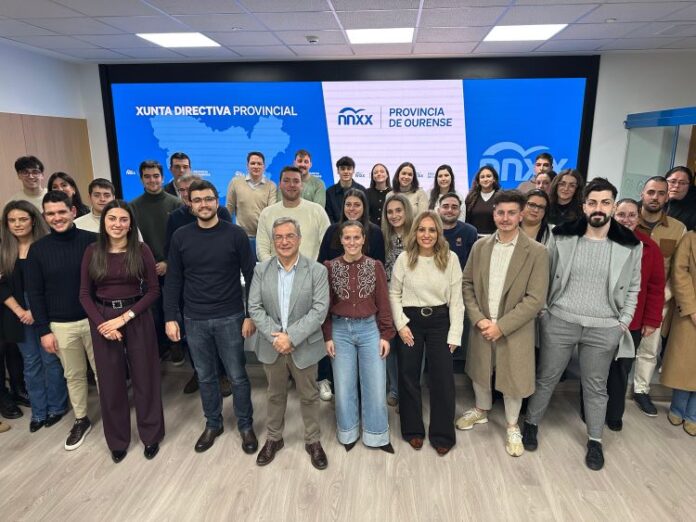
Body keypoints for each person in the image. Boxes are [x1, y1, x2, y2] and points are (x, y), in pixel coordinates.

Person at [523, 177, 642, 471]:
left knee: (595, 386)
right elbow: (544, 274)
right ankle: (531, 424)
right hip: (560, 320)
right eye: (593, 202)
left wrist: (622, 323)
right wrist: (544, 311)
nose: (598, 208)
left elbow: (633, 287)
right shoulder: (562, 235)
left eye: (605, 202)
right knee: (547, 377)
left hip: (605, 327)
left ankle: (595, 441)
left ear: (613, 206)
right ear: (584, 205)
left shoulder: (631, 244)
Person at [164, 180, 257, 455]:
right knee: (205, 377)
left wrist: (250, 314)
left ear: (217, 201)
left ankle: (245, 425)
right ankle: (213, 424)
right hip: (194, 319)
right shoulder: (180, 237)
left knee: (237, 376)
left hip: (230, 316)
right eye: (197, 200)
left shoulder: (236, 234)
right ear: (189, 204)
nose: (203, 204)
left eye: (208, 199)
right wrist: (170, 317)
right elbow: (173, 279)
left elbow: (252, 275)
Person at [458, 190, 549, 457]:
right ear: (494, 214)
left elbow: (535, 299)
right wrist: (479, 319)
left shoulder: (537, 252)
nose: (505, 218)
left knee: (513, 379)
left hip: (514, 328)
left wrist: (502, 326)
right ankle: (481, 409)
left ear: (521, 215)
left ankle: (511, 425)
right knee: (480, 371)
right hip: (483, 324)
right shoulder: (480, 246)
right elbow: (467, 284)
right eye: (500, 212)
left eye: (511, 213)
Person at [79, 200, 164, 463]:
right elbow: (84, 295)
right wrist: (102, 325)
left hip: (136, 315)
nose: (117, 224)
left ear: (130, 224)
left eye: (123, 219)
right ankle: (117, 441)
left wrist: (124, 318)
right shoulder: (93, 251)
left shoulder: (141, 250)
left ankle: (151, 435)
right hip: (103, 319)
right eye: (112, 218)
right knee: (110, 382)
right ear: (103, 222)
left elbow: (153, 291)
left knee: (146, 378)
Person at [248, 217, 330, 470]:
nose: (284, 241)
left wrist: (291, 337)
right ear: (273, 241)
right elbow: (254, 307)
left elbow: (319, 310)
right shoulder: (261, 270)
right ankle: (274, 438)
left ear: (299, 239)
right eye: (279, 237)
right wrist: (278, 337)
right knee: (274, 395)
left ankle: (313, 441)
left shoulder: (317, 271)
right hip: (272, 345)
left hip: (304, 345)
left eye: (289, 236)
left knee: (309, 396)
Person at [26, 191, 98, 451]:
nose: (57, 218)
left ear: (73, 212)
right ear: (44, 217)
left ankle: (114, 415)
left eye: (61, 212)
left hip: (95, 321)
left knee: (105, 373)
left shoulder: (93, 242)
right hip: (60, 326)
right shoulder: (38, 250)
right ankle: (81, 419)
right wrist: (43, 330)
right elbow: (35, 294)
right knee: (74, 376)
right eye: (51, 214)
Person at [389, 211, 464, 455]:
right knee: (408, 375)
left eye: (432, 230)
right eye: (422, 229)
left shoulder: (450, 258)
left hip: (440, 322)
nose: (426, 234)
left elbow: (457, 300)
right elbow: (394, 294)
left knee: (442, 378)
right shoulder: (404, 259)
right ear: (415, 232)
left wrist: (455, 333)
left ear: (439, 233)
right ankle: (412, 430)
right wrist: (401, 325)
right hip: (410, 321)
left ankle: (442, 434)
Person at [323, 220, 395, 453]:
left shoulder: (375, 266)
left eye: (356, 237)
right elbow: (325, 306)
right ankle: (348, 432)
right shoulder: (330, 267)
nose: (352, 242)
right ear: (341, 240)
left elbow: (383, 302)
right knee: (343, 386)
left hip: (369, 329)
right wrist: (328, 336)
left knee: (375, 384)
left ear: (364, 239)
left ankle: (377, 435)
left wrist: (385, 335)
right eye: (347, 237)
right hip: (340, 330)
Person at [0, 201, 68, 432]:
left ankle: (57, 407)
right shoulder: (3, 250)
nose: (17, 224)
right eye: (12, 220)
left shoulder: (47, 245)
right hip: (16, 312)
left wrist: (35, 311)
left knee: (51, 360)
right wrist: (21, 311)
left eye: (23, 219)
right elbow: (2, 287)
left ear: (33, 220)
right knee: (30, 363)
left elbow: (56, 283)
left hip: (46, 308)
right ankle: (39, 412)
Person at [165, 173, 233, 387]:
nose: (187, 194)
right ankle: (199, 373)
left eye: (190, 189)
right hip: (190, 292)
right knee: (196, 343)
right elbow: (171, 256)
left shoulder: (221, 213)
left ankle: (223, 375)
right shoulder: (175, 218)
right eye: (183, 191)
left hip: (220, 292)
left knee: (223, 342)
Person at [316, 189, 385, 400]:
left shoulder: (375, 232)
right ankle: (330, 384)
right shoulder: (332, 231)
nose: (352, 208)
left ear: (364, 207)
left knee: (369, 374)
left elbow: (379, 269)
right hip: (337, 308)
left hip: (366, 311)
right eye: (348, 204)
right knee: (341, 371)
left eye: (357, 204)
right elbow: (321, 266)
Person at [603, 199, 664, 431]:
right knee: (594, 368)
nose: (626, 219)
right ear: (613, 215)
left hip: (633, 322)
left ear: (638, 218)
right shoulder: (601, 240)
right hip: (601, 317)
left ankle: (614, 413)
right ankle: (588, 409)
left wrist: (651, 320)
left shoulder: (650, 248)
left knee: (621, 369)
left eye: (631, 215)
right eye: (621, 215)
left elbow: (656, 287)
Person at [632, 176, 685, 417]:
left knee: (649, 348)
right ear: (642, 194)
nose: (655, 197)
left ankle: (641, 390)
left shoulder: (678, 228)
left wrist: (663, 298)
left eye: (661, 193)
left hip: (658, 299)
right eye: (651, 192)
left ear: (666, 197)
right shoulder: (628, 220)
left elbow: (678, 269)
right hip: (624, 298)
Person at [129, 160, 182, 358]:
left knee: (175, 308)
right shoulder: (133, 206)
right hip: (146, 269)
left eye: (156, 176)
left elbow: (180, 240)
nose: (152, 180)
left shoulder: (175, 203)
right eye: (147, 176)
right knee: (153, 312)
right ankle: (160, 347)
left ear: (162, 177)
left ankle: (176, 345)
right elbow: (132, 240)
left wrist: (168, 262)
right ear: (141, 179)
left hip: (172, 267)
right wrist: (148, 264)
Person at [660, 230, 696, 436]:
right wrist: (691, 309)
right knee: (685, 364)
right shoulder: (690, 238)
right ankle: (678, 408)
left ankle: (693, 415)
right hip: (689, 311)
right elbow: (679, 273)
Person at [257, 166, 330, 262]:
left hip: (311, 270)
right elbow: (262, 249)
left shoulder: (318, 211)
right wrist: (275, 268)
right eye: (286, 181)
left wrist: (313, 268)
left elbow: (327, 246)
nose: (291, 185)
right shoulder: (266, 213)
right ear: (280, 185)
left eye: (296, 181)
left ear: (302, 185)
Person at [382, 194, 414, 407]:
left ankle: (409, 391)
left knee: (411, 347)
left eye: (398, 210)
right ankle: (394, 389)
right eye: (390, 212)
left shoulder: (417, 235)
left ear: (407, 211)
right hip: (387, 299)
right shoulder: (383, 236)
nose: (394, 215)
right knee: (391, 346)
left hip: (412, 299)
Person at [226, 151, 277, 249]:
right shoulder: (235, 182)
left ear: (264, 166)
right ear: (247, 165)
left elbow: (271, 212)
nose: (256, 166)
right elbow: (229, 208)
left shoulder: (271, 186)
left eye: (259, 164)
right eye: (253, 163)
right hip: (240, 237)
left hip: (263, 238)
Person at [437, 192, 477, 270]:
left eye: (454, 207)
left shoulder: (470, 232)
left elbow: (473, 263)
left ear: (460, 212)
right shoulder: (430, 231)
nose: (450, 210)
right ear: (438, 210)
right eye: (445, 206)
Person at [325, 156, 366, 224]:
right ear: (338, 171)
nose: (346, 171)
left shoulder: (362, 190)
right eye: (343, 169)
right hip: (336, 229)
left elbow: (365, 213)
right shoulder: (329, 192)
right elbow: (329, 216)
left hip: (359, 228)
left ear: (353, 171)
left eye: (349, 169)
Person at [465, 165, 500, 236]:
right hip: (474, 238)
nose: (485, 179)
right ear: (478, 180)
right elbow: (467, 220)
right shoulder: (471, 197)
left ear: (494, 179)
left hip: (495, 238)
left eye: (488, 176)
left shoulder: (501, 197)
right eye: (482, 177)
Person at [665, 166, 696, 231]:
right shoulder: (656, 200)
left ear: (689, 186)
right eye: (673, 181)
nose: (677, 186)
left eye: (682, 183)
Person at [366, 163, 391, 228]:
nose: (379, 174)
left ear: (387, 175)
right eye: (375, 172)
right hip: (371, 229)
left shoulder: (393, 193)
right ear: (372, 176)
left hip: (389, 229)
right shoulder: (366, 193)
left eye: (382, 171)